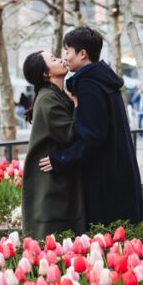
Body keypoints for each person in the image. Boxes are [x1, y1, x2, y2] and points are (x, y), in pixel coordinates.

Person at [39, 26, 143, 227]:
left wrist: (61, 159)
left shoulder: (89, 85)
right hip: (119, 172)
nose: (65, 57)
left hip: (106, 177)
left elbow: (93, 136)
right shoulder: (101, 80)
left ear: (82, 54)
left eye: (67, 51)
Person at [21, 51, 85, 239]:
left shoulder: (56, 95)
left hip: (57, 179)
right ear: (45, 74)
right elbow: (71, 134)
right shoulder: (48, 99)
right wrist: (77, 105)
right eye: (54, 59)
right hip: (51, 184)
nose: (61, 59)